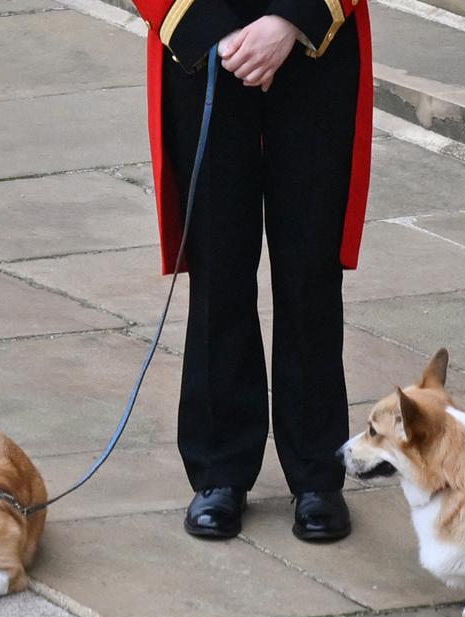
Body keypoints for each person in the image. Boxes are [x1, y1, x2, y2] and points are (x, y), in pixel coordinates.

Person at [127, 0, 373, 542]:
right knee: (218, 269)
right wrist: (207, 28)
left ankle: (316, 471)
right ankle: (219, 469)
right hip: (202, 43)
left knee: (311, 268)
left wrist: (292, 19)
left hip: (317, 46)